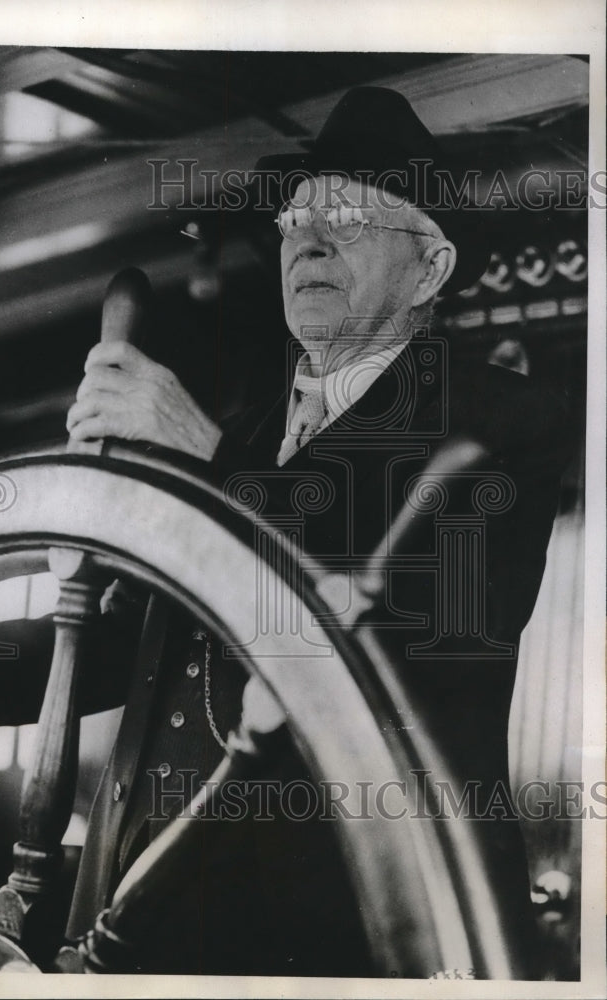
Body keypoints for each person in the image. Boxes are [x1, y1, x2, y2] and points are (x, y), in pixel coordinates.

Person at [62, 88, 569, 977]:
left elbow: (407, 624)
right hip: (134, 921)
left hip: (348, 940)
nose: (307, 236)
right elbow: (111, 656)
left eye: (350, 215)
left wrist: (204, 459)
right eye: (298, 215)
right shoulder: (248, 427)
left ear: (431, 267)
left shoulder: (499, 423)